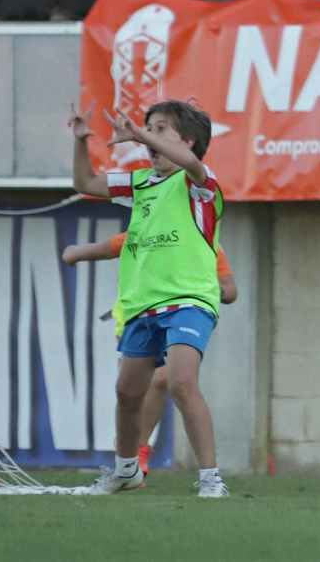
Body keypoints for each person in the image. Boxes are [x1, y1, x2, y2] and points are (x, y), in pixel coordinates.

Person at [69, 99, 229, 498]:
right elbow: (85, 183)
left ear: (188, 142)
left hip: (190, 300)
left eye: (161, 130)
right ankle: (127, 471)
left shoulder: (199, 183)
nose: (149, 139)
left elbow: (191, 165)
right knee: (127, 392)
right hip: (142, 305)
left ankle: (211, 479)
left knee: (181, 381)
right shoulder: (139, 183)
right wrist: (80, 141)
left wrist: (139, 134)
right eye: (149, 128)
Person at [63, 233, 239, 475]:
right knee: (130, 390)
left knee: (165, 379)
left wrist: (207, 290)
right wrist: (74, 253)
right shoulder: (146, 232)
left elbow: (230, 290)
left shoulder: (204, 239)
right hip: (138, 316)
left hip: (182, 315)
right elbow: (106, 248)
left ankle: (140, 452)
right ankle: (129, 456)